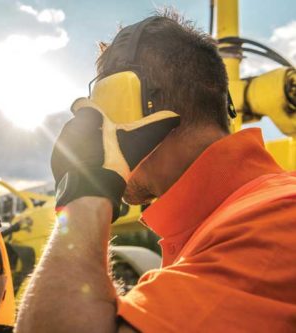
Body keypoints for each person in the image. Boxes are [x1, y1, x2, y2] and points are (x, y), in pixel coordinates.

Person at [15, 11, 296, 333]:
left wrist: (84, 190)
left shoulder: (273, 221)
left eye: (102, 109)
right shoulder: (223, 224)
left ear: (133, 107)